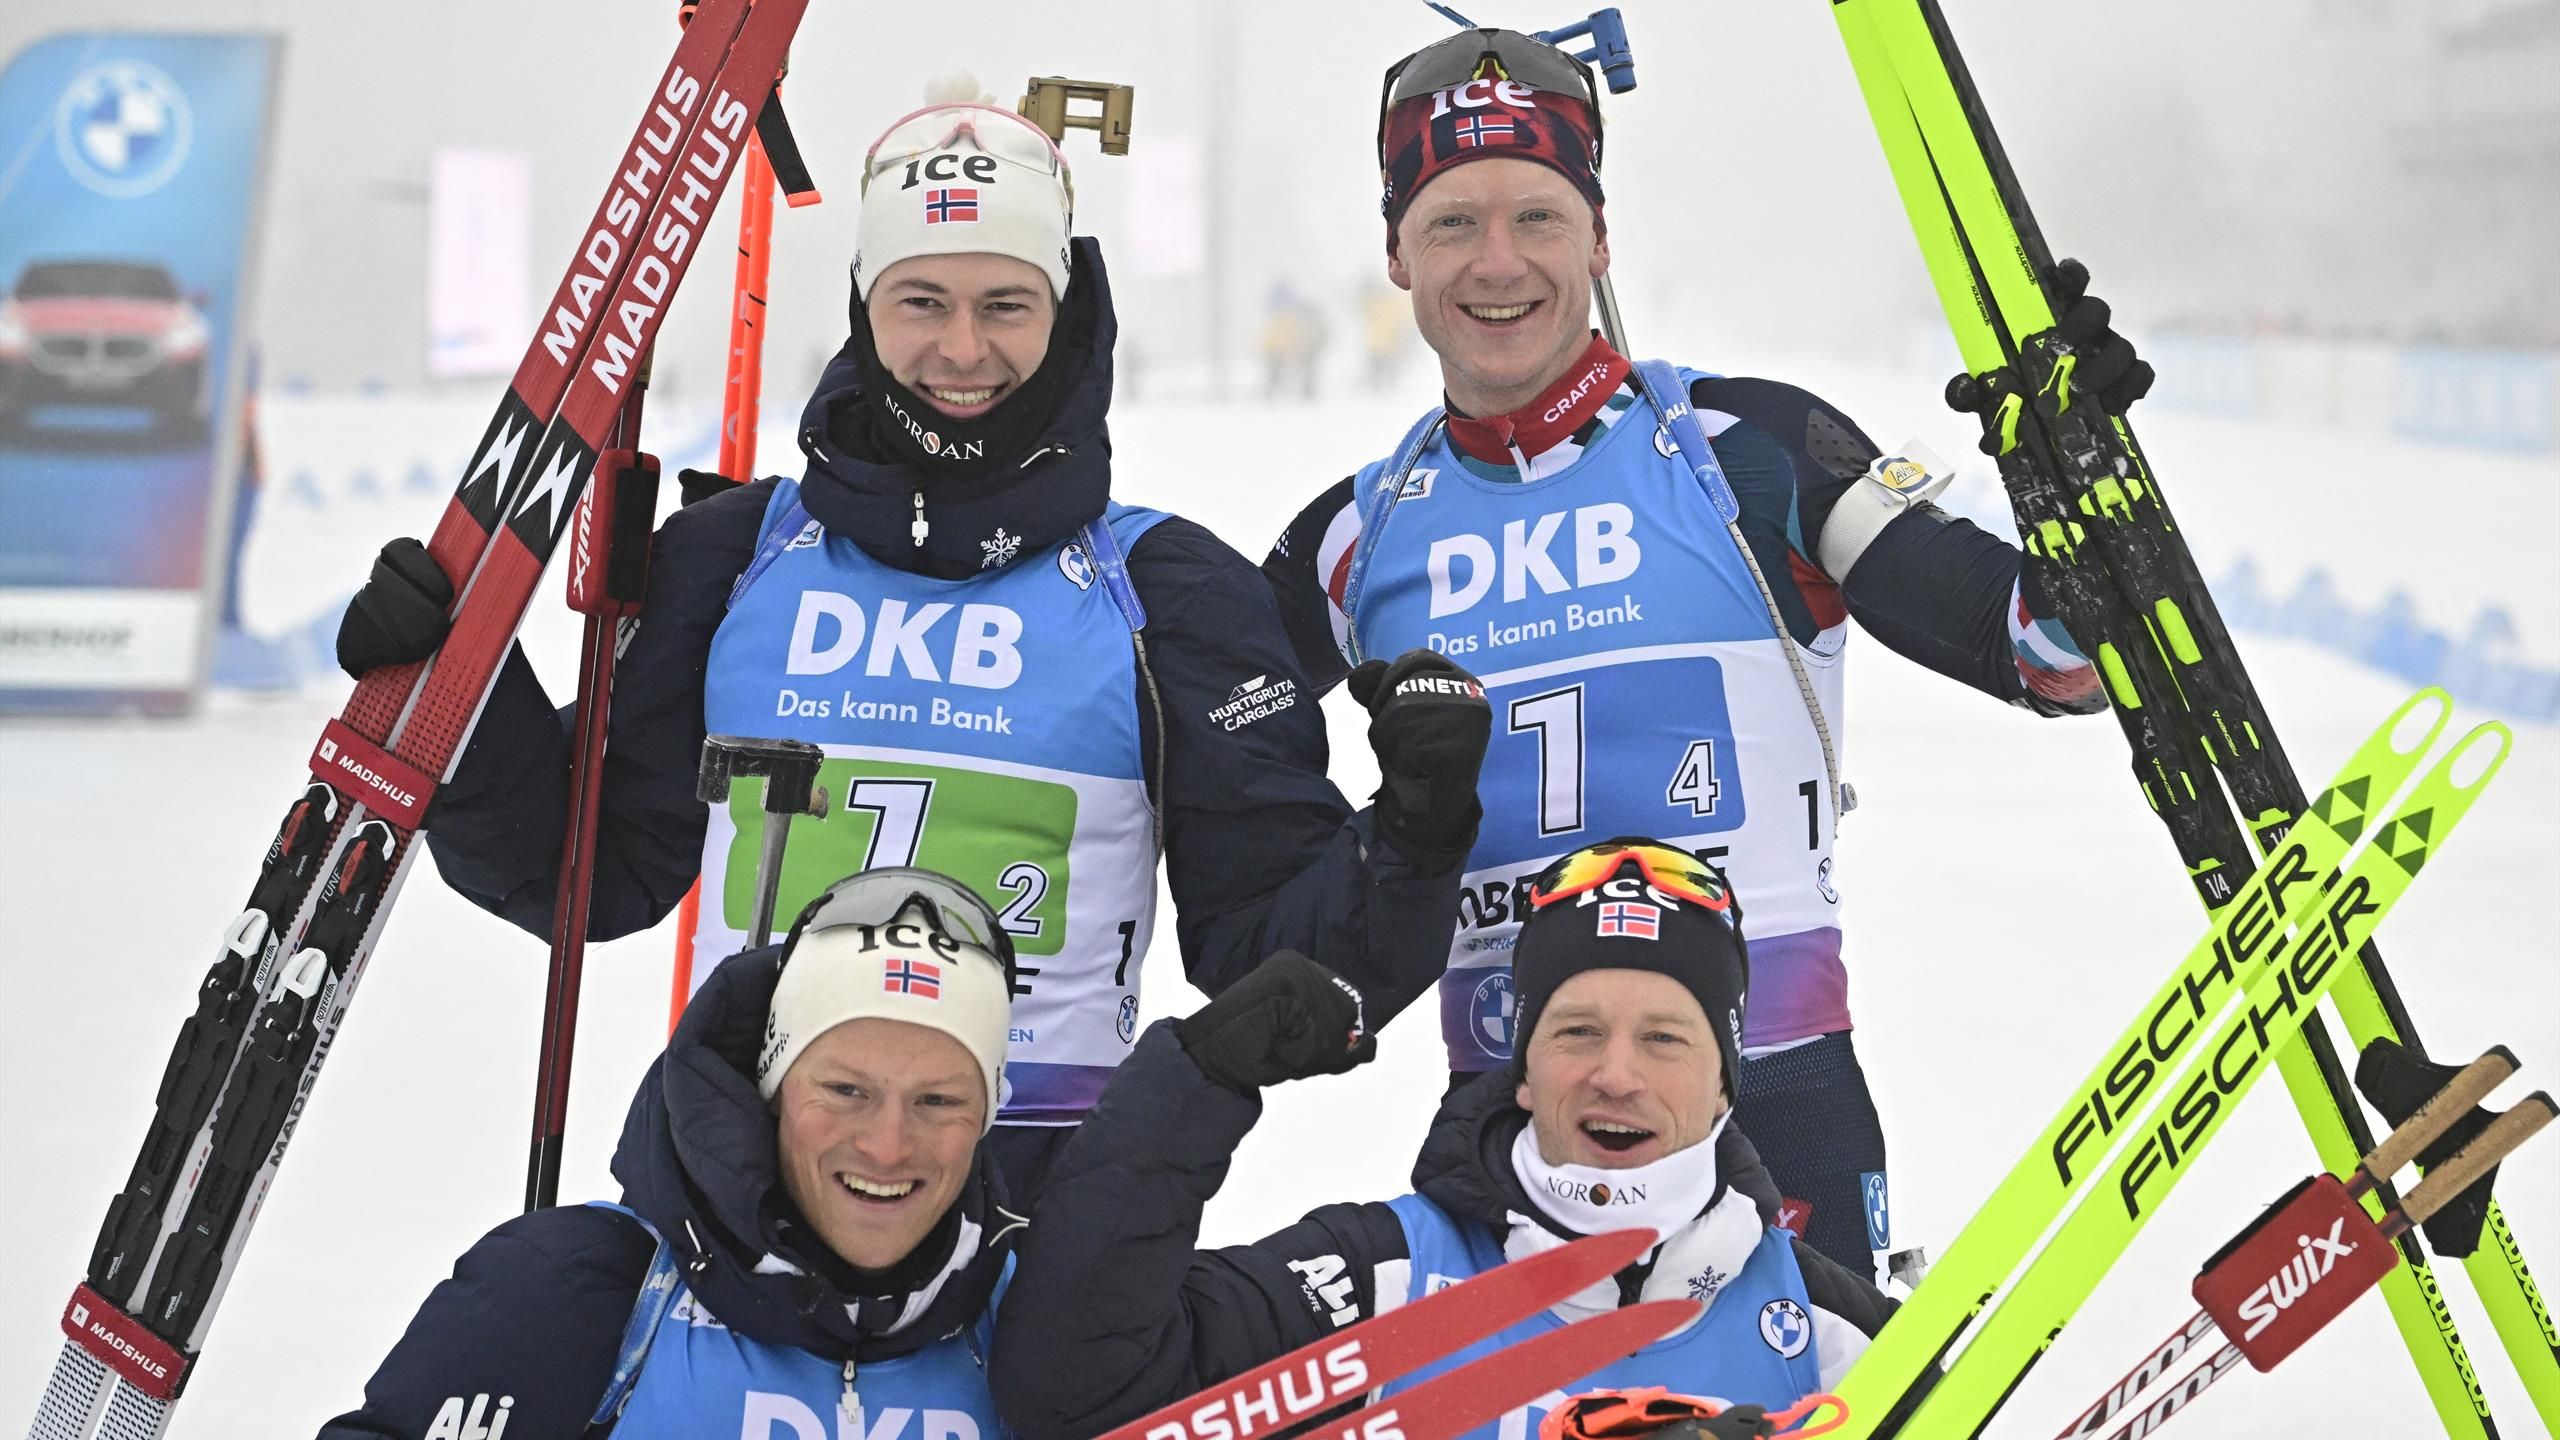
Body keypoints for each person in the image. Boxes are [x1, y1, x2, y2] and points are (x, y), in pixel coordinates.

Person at [335, 98, 1491, 1200]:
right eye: (920, 301)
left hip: (1031, 1200)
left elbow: (1274, 953)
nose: (962, 349)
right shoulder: (735, 555)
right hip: (745, 1178)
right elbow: (586, 872)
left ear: (1067, 314)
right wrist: (461, 698)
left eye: (1006, 305)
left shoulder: (1169, 593)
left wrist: (1418, 822)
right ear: (862, 307)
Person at [1260, 29, 2149, 1272]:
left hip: (1773, 1096)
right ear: (1397, 253)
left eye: (1538, 216)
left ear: (1600, 239)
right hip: (1503, 1120)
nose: (1498, 263)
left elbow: (2033, 649)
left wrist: (2080, 517)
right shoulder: (1358, 535)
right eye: (1453, 223)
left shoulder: (1744, 453)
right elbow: (1194, 751)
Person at [988, 839, 1897, 1440]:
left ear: (1724, 1084)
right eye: (1576, 1031)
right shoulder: (1383, 1275)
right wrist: (1194, 1082)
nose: (1616, 1074)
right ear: (1525, 1069)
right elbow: (1073, 1395)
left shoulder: (1820, 1326)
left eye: (1664, 1038)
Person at [319, 869, 1030, 1439]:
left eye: (937, 1101)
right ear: (775, 1088)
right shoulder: (575, 1291)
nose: (886, 1144)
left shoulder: (1036, 1322)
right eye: (845, 1090)